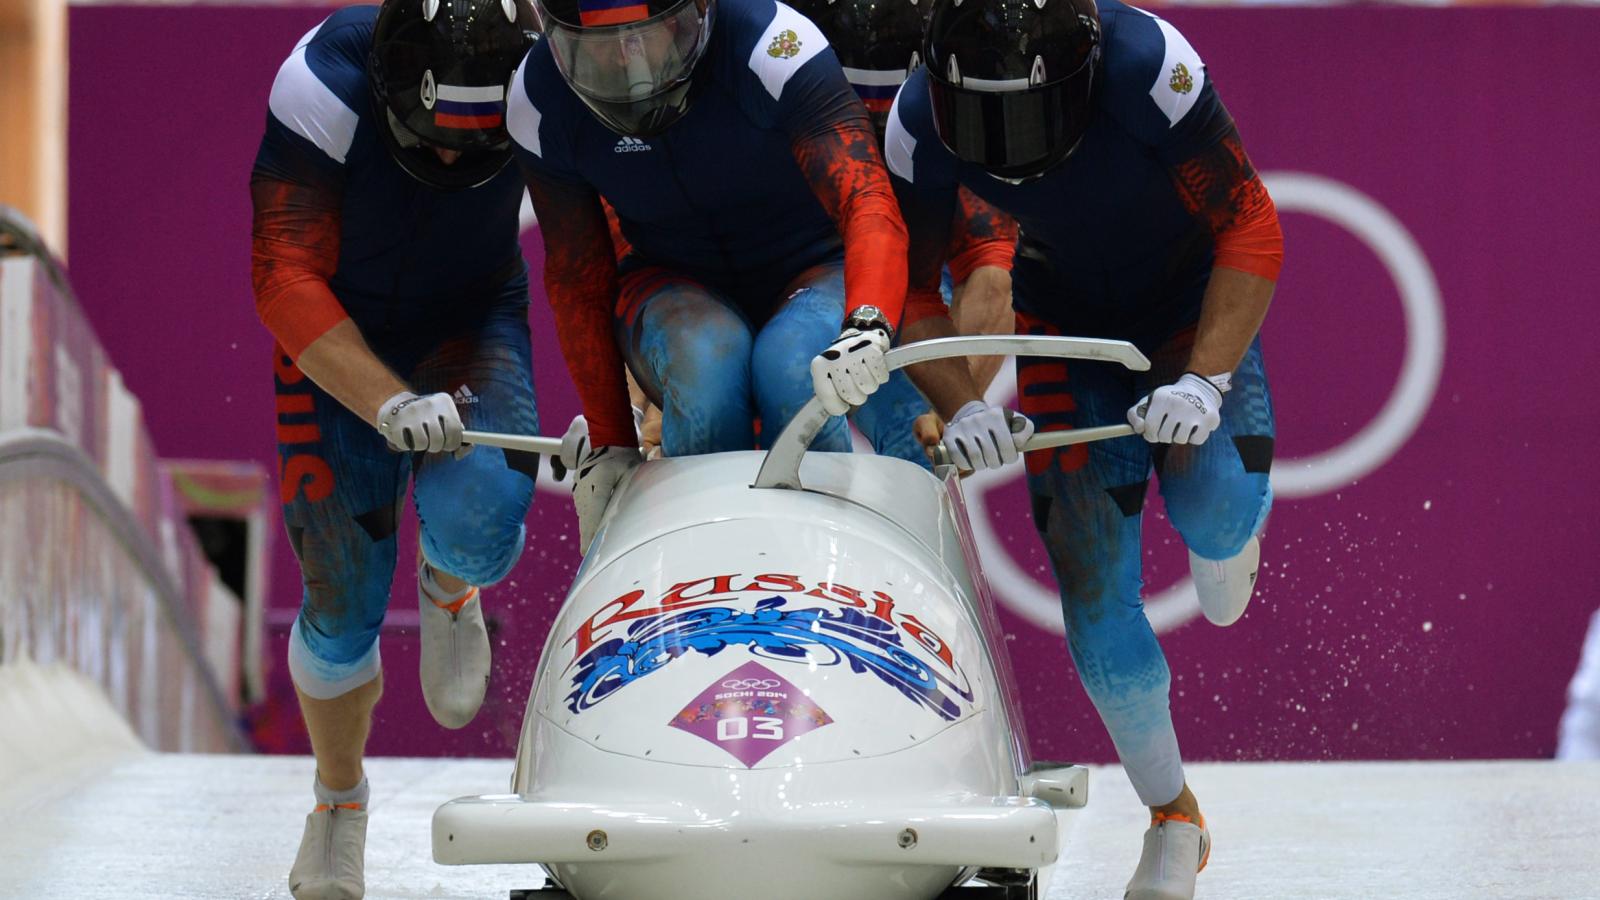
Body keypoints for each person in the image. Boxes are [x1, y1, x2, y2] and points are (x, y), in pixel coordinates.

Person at [876, 0, 1283, 896]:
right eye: (977, 119)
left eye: (1022, 116)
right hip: (1063, 326)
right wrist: (961, 402)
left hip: (1187, 310)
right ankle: (1173, 815)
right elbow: (907, 287)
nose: (1004, 147)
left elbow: (1250, 224)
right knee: (1096, 603)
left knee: (1213, 518)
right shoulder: (916, 120)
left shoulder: (1151, 66)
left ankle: (1229, 531)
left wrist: (1204, 380)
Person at [250, 0, 539, 895]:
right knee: (341, 607)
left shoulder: (552, 76)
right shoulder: (320, 84)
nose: (450, 160)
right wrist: (387, 399)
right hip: (339, 334)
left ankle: (452, 581)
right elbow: (283, 275)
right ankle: (338, 803)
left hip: (470, 319)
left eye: (473, 145)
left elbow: (596, 243)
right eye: (430, 137)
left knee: (483, 523)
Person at [507, 0, 908, 550]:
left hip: (816, 263)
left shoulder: (773, 47)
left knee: (793, 369)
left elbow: (865, 198)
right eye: (597, 48)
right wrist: (612, 439)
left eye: (645, 36)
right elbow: (580, 276)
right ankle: (701, 562)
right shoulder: (538, 98)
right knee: (705, 370)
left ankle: (830, 556)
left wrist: (867, 321)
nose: (628, 65)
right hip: (671, 278)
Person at [787, 0, 1018, 467]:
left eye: (887, 122)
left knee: (915, 433)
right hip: (802, 274)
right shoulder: (778, 98)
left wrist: (956, 410)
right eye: (859, 120)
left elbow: (990, 274)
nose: (875, 142)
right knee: (786, 377)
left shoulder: (951, 118)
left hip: (915, 277)